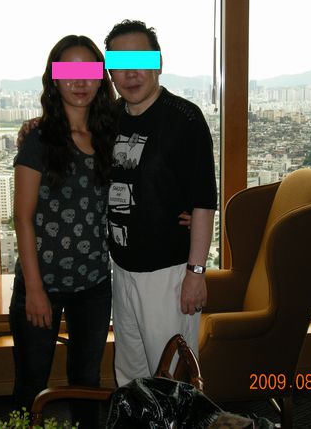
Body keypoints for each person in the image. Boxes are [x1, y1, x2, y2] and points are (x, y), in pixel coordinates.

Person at [9, 34, 116, 427]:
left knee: (87, 381)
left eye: (89, 70)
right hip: (43, 284)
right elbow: (22, 218)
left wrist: (183, 211)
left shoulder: (110, 136)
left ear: (101, 77)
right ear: (54, 77)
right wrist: (35, 290)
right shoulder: (39, 140)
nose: (79, 81)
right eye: (69, 70)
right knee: (31, 382)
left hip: (94, 283)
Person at [104, 20, 217, 386]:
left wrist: (196, 273)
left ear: (159, 63)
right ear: (110, 71)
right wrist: (35, 127)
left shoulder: (185, 119)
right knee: (131, 374)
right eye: (120, 63)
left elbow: (204, 202)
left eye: (141, 60)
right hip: (121, 269)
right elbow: (68, 121)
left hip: (167, 274)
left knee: (173, 381)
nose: (131, 73)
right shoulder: (109, 118)